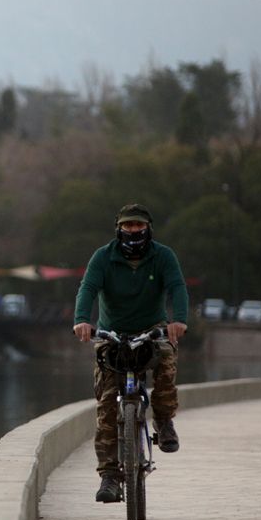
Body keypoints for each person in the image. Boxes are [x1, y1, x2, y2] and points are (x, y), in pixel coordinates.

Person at [72, 203, 188, 504]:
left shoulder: (163, 256)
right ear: (119, 228)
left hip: (151, 329)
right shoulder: (103, 257)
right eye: (128, 225)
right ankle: (109, 476)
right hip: (112, 333)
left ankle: (163, 421)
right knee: (107, 405)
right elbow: (87, 288)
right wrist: (82, 320)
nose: (133, 230)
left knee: (166, 357)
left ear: (148, 228)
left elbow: (177, 287)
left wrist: (178, 320)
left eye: (138, 225)